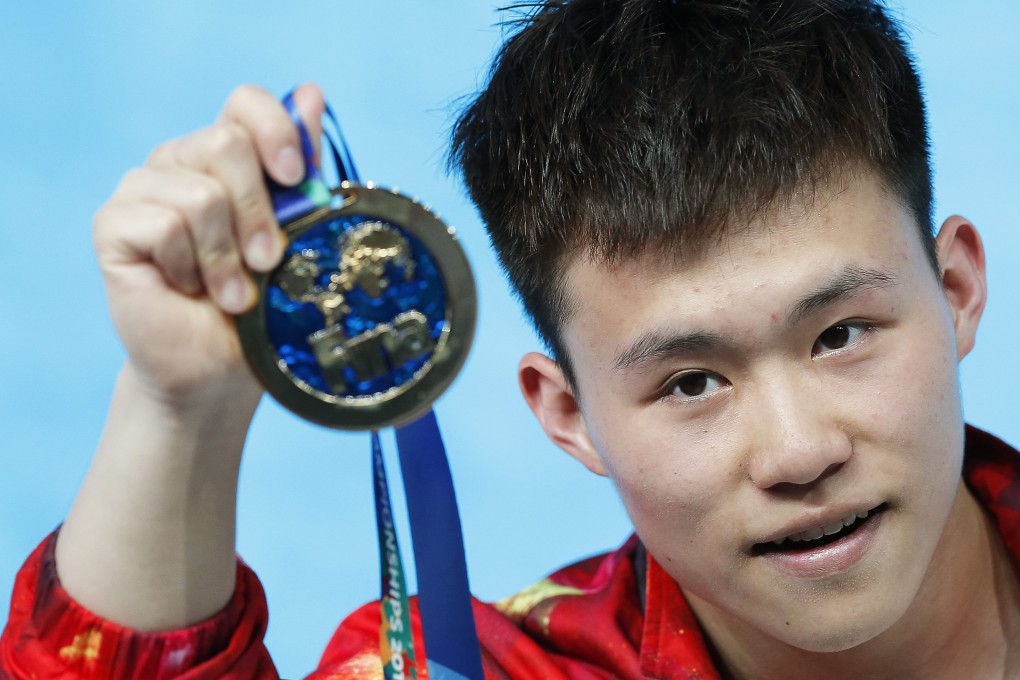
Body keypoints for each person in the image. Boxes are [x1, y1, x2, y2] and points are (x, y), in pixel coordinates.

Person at [2, 0, 1018, 677]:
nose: (801, 451)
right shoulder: (465, 662)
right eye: (691, 381)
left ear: (959, 288)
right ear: (567, 413)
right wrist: (179, 403)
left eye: (840, 333)